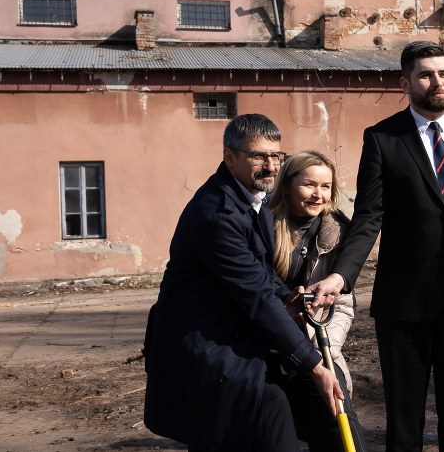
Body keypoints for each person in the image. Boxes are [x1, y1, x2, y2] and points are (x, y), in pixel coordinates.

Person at [311, 40, 444, 452]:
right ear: (406, 82)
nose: (437, 82)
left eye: (443, 73)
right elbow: (370, 216)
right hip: (404, 303)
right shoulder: (384, 138)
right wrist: (341, 274)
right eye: (426, 75)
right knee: (404, 420)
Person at [143, 114, 345, 452]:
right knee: (268, 409)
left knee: (312, 410)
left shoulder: (254, 201)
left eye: (276, 156)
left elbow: (263, 277)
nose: (270, 166)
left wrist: (290, 295)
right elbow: (255, 297)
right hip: (206, 345)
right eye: (258, 156)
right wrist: (312, 363)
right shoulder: (217, 214)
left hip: (236, 333)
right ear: (230, 156)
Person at [267, 150, 366, 451]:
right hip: (267, 353)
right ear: (286, 185)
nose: (318, 195)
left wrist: (323, 354)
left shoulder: (338, 232)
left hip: (315, 352)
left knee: (342, 431)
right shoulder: (263, 227)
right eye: (309, 185)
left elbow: (344, 306)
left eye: (325, 187)